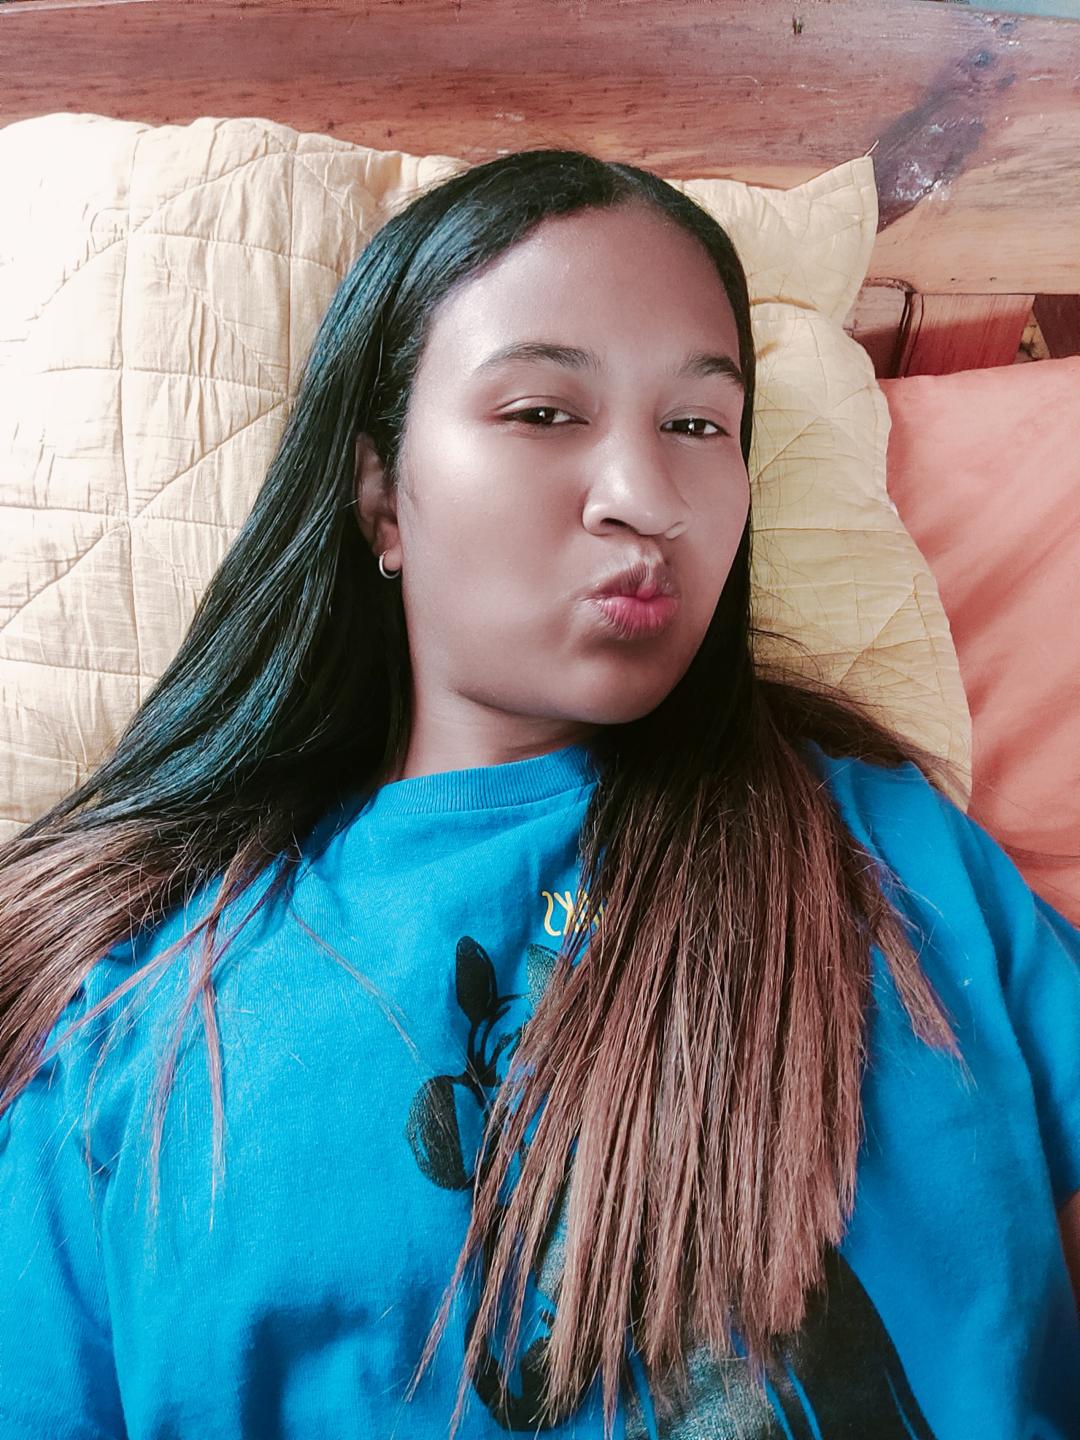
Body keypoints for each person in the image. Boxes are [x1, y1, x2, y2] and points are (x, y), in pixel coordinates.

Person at [0, 147, 1077, 1440]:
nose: (646, 500)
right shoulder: (129, 1007)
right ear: (381, 495)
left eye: (699, 426)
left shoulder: (890, 850)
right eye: (543, 413)